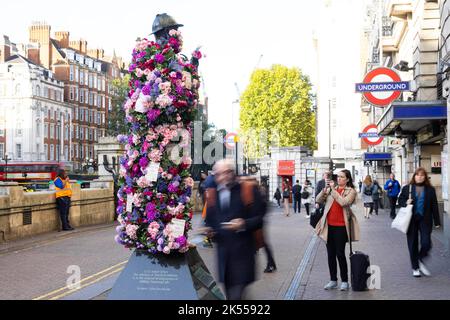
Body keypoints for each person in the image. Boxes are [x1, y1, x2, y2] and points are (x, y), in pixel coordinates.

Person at [205, 160, 263, 300]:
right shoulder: (213, 194)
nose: (221, 177)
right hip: (224, 259)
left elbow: (259, 219)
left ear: (232, 172)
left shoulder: (247, 190)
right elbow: (210, 220)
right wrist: (209, 230)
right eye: (217, 174)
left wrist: (243, 224)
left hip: (243, 256)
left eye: (225, 173)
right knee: (231, 295)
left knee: (235, 296)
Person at [315, 169, 359, 291]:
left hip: (341, 227)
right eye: (338, 177)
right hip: (329, 226)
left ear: (347, 179)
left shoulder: (351, 191)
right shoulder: (330, 190)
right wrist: (324, 191)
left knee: (340, 254)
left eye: (341, 177)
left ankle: (345, 281)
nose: (338, 179)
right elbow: (318, 200)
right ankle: (333, 280)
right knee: (330, 255)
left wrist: (333, 191)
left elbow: (343, 202)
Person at [398, 168, 441, 278]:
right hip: (411, 219)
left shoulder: (430, 190)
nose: (420, 177)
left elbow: (434, 206)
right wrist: (405, 202)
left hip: (425, 220)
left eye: (422, 175)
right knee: (412, 244)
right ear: (414, 176)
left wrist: (437, 221)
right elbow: (400, 200)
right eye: (417, 175)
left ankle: (420, 259)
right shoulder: (408, 188)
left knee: (426, 243)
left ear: (425, 177)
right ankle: (415, 268)